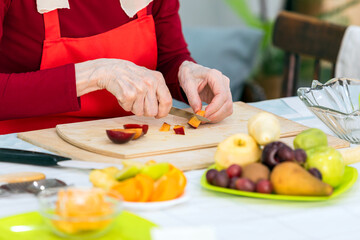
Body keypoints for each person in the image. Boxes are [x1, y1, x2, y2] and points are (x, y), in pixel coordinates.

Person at [0, 0, 233, 134]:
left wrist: (187, 72)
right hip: (27, 149)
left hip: (131, 144)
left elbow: (168, 58)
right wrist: (95, 74)